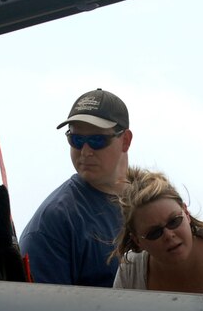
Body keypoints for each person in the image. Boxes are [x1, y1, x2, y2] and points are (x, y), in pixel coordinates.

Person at [19, 88, 133, 286]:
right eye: (76, 140)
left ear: (126, 140)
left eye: (97, 140)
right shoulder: (54, 222)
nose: (85, 151)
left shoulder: (153, 202)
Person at [110, 167, 203, 294]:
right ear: (138, 241)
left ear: (186, 213)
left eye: (174, 221)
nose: (168, 235)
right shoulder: (130, 273)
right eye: (154, 233)